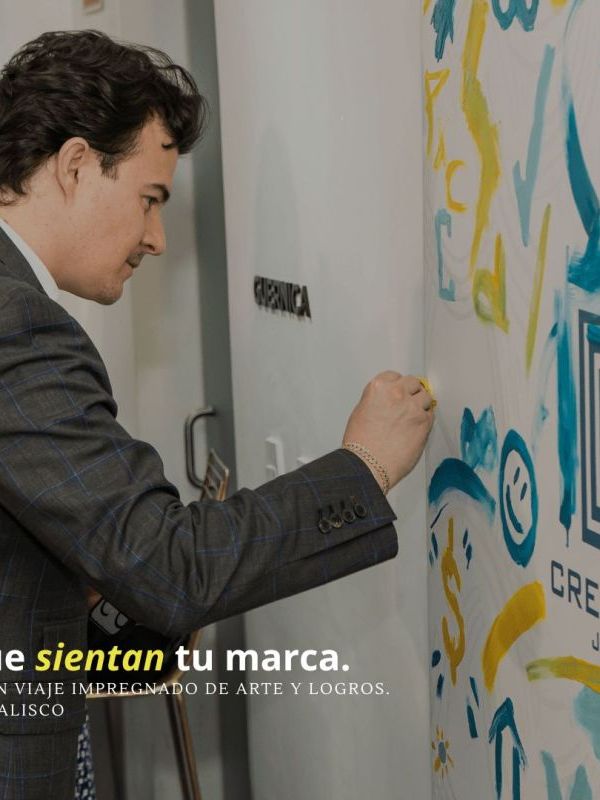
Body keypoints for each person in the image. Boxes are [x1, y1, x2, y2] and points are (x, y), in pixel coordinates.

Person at [0, 29, 434, 799]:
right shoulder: (18, 325)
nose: (157, 239)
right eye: (150, 200)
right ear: (74, 165)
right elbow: (170, 568)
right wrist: (365, 466)